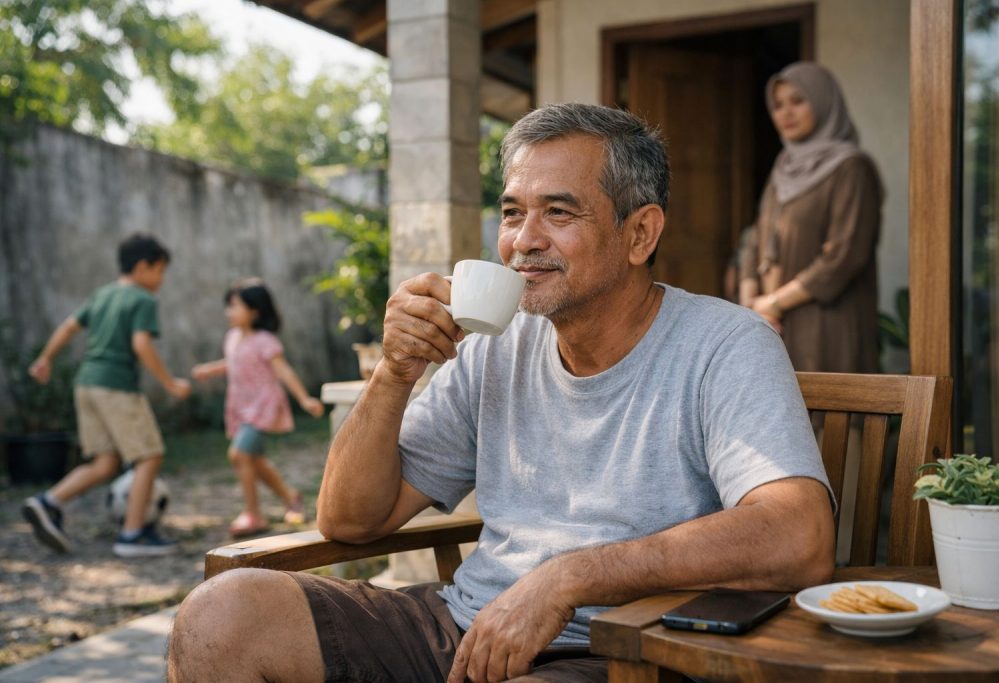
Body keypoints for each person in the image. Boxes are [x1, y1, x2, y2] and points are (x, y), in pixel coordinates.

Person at [168, 103, 836, 683]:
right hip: (466, 626)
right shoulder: (495, 344)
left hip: (622, 652)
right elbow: (349, 520)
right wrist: (394, 373)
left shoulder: (725, 343)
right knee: (220, 616)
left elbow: (797, 535)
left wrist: (568, 578)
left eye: (558, 211)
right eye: (512, 211)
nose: (523, 241)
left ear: (640, 234)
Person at [22, 233, 191, 558]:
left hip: (86, 384)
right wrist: (170, 383)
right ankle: (133, 534)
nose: (161, 279)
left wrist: (46, 358)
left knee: (105, 462)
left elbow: (69, 327)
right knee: (149, 455)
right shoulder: (142, 299)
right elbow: (141, 344)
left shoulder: (102, 294)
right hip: (116, 386)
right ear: (143, 267)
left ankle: (47, 502)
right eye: (160, 271)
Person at [739, 61, 884, 373]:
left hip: (826, 325)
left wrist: (774, 302)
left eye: (798, 101)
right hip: (773, 325)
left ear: (823, 102)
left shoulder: (851, 169)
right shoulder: (783, 168)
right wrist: (751, 306)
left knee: (827, 418)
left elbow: (845, 256)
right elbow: (756, 237)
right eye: (778, 105)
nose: (786, 113)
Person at [191, 278, 325, 537]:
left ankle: (253, 514)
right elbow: (235, 362)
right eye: (228, 306)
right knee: (254, 460)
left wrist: (304, 398)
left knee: (239, 455)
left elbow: (282, 370)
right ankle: (291, 497)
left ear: (254, 310)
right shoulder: (231, 338)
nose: (229, 312)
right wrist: (210, 370)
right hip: (241, 406)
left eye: (235, 306)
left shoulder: (265, 341)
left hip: (262, 405)